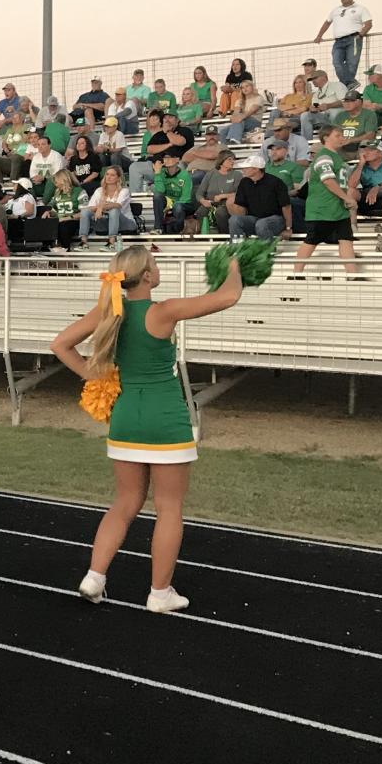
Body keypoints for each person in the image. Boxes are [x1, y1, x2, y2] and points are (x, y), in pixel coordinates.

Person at [51, 246, 244, 613]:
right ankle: (159, 593)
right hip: (165, 419)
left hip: (125, 416)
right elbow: (228, 296)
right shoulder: (162, 311)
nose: (158, 268)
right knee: (168, 507)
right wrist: (235, 266)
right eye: (154, 264)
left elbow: (59, 344)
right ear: (147, 276)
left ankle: (94, 576)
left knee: (125, 503)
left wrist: (95, 375)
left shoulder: (109, 312)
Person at [292, 125, 362, 277]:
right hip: (322, 209)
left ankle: (353, 275)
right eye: (337, 135)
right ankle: (295, 274)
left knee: (346, 240)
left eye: (342, 135)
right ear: (325, 138)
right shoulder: (324, 156)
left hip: (338, 208)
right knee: (311, 241)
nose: (342, 138)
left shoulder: (336, 157)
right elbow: (328, 181)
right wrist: (347, 198)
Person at [314, 0, 372, 88]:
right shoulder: (336, 10)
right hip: (338, 41)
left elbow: (368, 24)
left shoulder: (360, 9)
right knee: (337, 62)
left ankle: (345, 87)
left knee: (352, 63)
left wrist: (360, 34)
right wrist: (319, 36)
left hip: (353, 39)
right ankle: (350, 83)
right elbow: (327, 23)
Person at [227, 155, 291, 240]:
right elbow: (241, 206)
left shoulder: (276, 182)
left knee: (261, 224)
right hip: (255, 219)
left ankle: (267, 248)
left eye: (246, 168)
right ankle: (238, 246)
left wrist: (288, 228)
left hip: (276, 219)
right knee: (234, 220)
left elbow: (286, 206)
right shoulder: (244, 182)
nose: (243, 170)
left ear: (256, 169)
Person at [79, 166, 136, 249]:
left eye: (112, 175)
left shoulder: (124, 191)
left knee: (114, 210)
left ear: (118, 178)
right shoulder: (99, 190)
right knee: (85, 211)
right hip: (106, 223)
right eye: (107, 174)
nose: (108, 177)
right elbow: (90, 207)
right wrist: (100, 207)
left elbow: (118, 205)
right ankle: (83, 242)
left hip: (126, 224)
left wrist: (101, 207)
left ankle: (111, 243)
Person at [194, 151, 241, 235]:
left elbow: (240, 193)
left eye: (233, 159)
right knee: (201, 211)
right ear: (221, 160)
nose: (232, 161)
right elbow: (199, 193)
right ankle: (204, 237)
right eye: (229, 159)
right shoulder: (210, 174)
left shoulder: (237, 175)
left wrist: (224, 196)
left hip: (227, 205)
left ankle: (224, 236)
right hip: (211, 204)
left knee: (220, 212)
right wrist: (203, 201)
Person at [152, 154, 197, 236]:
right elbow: (160, 191)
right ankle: (158, 228)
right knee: (157, 196)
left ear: (177, 160)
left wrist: (171, 206)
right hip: (169, 202)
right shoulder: (161, 172)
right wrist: (157, 173)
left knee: (178, 206)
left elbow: (186, 198)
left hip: (184, 203)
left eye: (170, 157)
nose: (167, 160)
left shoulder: (184, 174)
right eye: (165, 158)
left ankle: (177, 230)